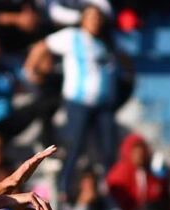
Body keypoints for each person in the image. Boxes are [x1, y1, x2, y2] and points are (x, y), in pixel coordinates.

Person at [26, 3, 122, 197]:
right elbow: (42, 46)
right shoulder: (72, 37)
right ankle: (64, 188)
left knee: (109, 149)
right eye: (91, 17)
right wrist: (31, 69)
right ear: (83, 19)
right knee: (75, 146)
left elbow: (122, 62)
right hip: (79, 102)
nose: (95, 21)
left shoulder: (106, 43)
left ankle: (109, 191)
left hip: (103, 104)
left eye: (98, 17)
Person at [104, 133, 169, 210]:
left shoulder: (151, 174)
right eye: (136, 152)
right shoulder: (119, 172)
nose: (140, 155)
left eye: (142, 152)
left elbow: (159, 194)